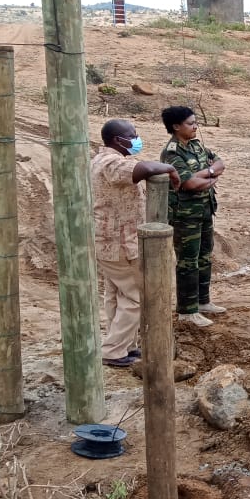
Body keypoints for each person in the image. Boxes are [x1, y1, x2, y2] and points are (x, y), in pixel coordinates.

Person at [92, 120, 181, 366]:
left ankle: (124, 346)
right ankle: (113, 350)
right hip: (120, 243)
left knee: (117, 295)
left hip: (110, 242)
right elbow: (145, 168)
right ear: (117, 140)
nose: (136, 139)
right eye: (132, 135)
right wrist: (170, 168)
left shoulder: (100, 160)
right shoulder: (111, 163)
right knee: (136, 296)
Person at [160, 106, 227, 326]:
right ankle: (187, 311)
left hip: (205, 209)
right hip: (185, 215)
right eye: (190, 123)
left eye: (195, 122)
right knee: (188, 262)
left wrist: (205, 174)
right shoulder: (172, 153)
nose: (195, 126)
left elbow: (220, 163)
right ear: (176, 126)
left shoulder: (197, 145)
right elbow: (189, 184)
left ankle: (202, 301)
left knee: (204, 257)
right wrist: (208, 176)